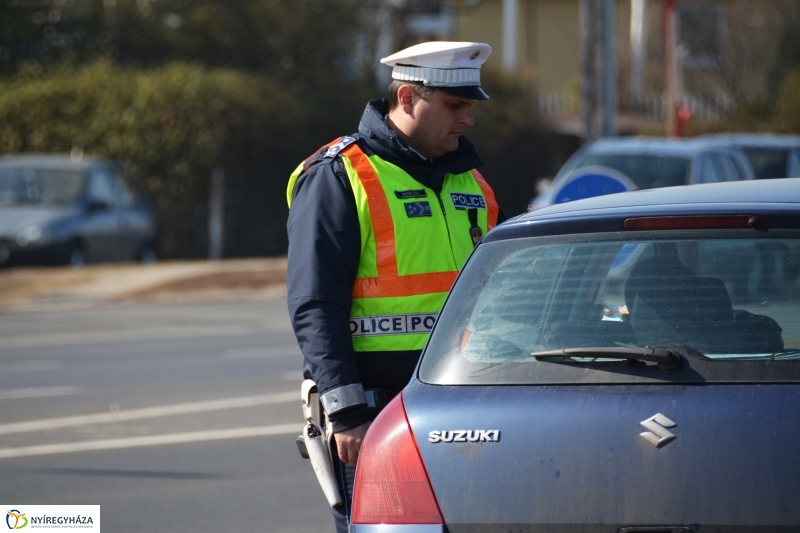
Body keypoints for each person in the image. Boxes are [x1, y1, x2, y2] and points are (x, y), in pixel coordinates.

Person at [286, 41, 504, 532]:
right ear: (407, 99)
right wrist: (347, 412)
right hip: (377, 410)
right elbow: (315, 303)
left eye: (470, 106)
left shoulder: (473, 182)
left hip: (466, 402)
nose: (468, 119)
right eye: (456, 106)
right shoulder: (339, 175)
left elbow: (509, 293)